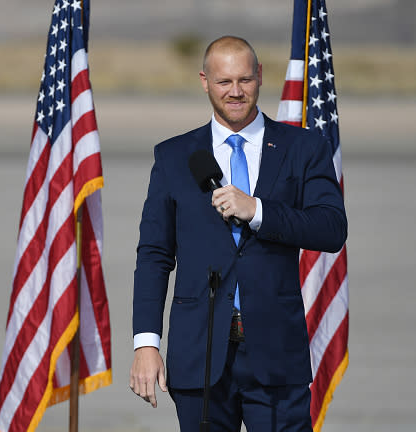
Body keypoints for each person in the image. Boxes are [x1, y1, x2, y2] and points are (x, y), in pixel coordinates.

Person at [129, 36, 347, 432]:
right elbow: (154, 255)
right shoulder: (175, 156)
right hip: (200, 355)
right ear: (204, 81)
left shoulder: (303, 147)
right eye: (224, 81)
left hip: (277, 356)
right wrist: (146, 343)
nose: (235, 92)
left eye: (244, 80)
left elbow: (332, 228)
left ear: (260, 77)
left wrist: (258, 211)